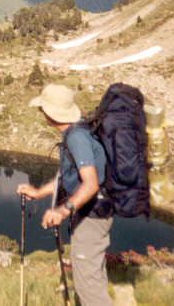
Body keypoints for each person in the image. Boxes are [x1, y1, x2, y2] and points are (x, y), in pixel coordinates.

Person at [16, 83, 113, 306]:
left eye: (42, 108)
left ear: (50, 113)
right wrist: (38, 192)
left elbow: (90, 184)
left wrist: (62, 210)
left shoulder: (76, 138)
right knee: (92, 275)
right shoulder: (76, 131)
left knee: (88, 285)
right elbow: (68, 178)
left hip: (92, 216)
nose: (41, 112)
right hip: (92, 213)